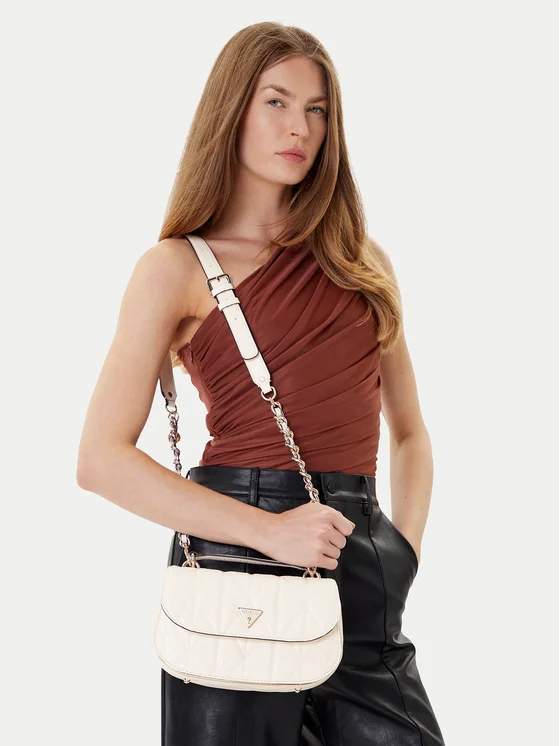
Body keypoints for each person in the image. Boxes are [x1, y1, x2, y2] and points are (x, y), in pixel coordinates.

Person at [77, 20, 446, 746]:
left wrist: (401, 554)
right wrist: (270, 532)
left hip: (357, 555)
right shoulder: (174, 269)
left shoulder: (362, 263)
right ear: (232, 111)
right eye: (276, 101)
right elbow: (100, 459)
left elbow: (410, 434)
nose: (299, 127)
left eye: (316, 109)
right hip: (235, 561)